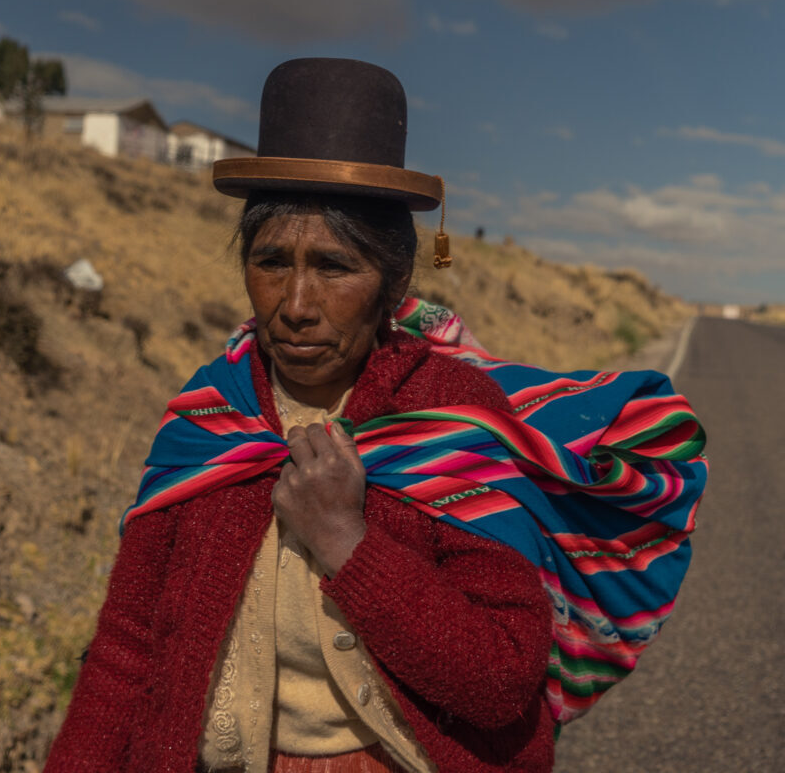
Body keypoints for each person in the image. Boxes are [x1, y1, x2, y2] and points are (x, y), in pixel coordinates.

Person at [44, 59, 706, 773]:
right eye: (271, 262)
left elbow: (501, 678)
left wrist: (346, 541)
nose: (295, 303)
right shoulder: (209, 422)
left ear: (394, 286)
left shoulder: (448, 419)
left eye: (333, 267)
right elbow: (127, 650)